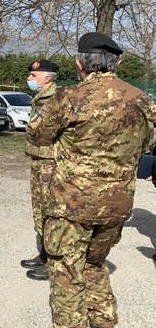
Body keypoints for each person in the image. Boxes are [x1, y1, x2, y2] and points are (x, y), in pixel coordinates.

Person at [26, 32, 155, 328]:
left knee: (67, 275)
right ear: (117, 63)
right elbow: (147, 144)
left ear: (79, 63)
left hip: (72, 207)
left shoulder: (68, 98)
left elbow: (37, 134)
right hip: (116, 207)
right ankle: (105, 321)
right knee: (94, 265)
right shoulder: (141, 100)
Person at [22, 60, 59, 281]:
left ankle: (54, 263)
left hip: (50, 162)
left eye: (33, 76)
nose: (30, 79)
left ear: (47, 77)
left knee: (50, 212)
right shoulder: (40, 97)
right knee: (38, 210)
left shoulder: (56, 98)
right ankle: (43, 255)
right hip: (38, 160)